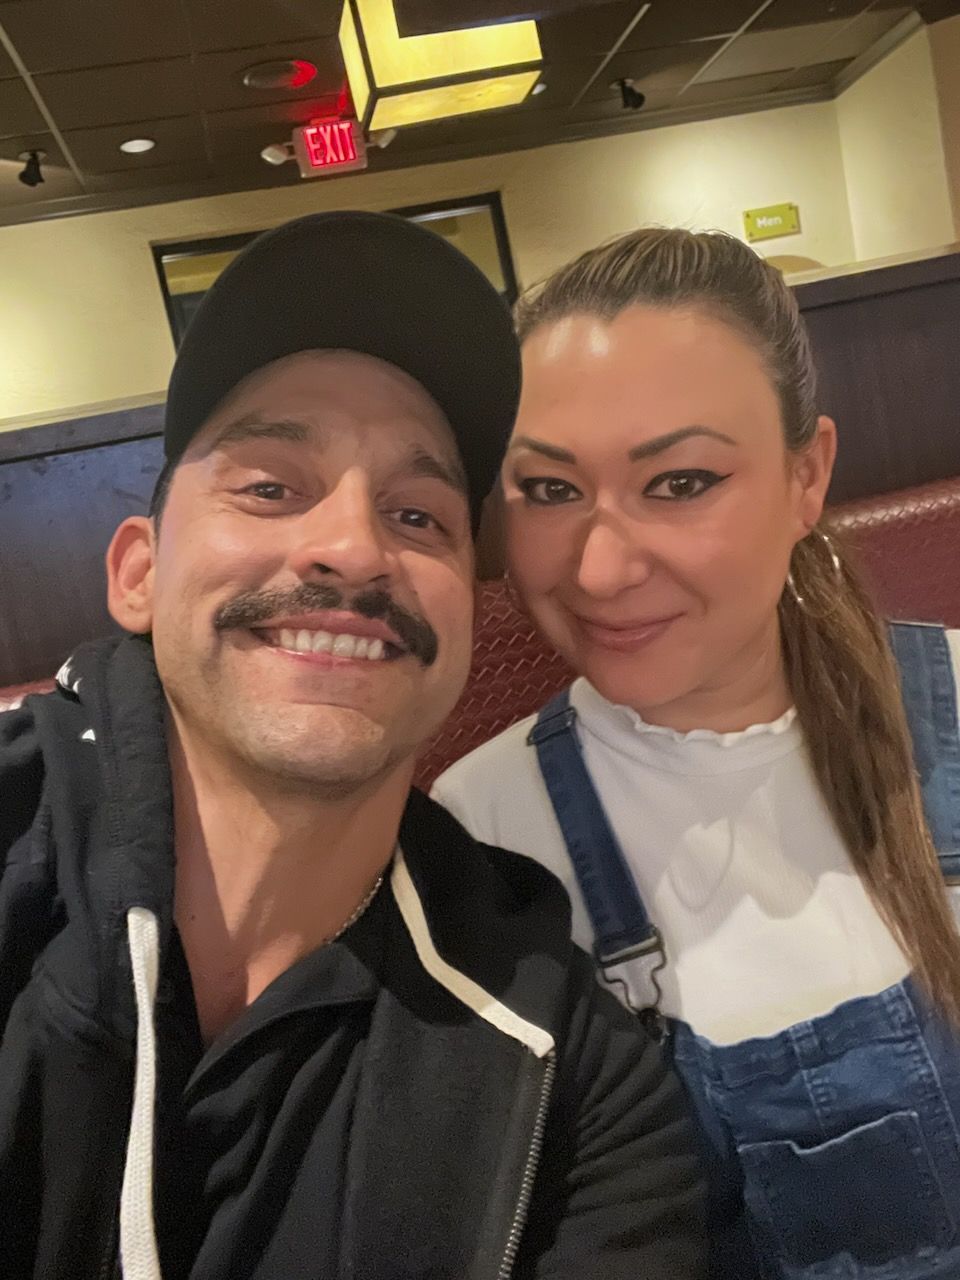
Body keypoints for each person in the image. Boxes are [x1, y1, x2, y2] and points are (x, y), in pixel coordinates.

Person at [0, 212, 706, 1280]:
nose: (350, 546)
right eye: (271, 485)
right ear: (138, 572)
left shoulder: (573, 1079)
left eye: (419, 514)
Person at [433, 226, 960, 1279]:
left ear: (807, 475)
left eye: (678, 482)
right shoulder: (481, 830)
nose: (604, 564)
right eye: (548, 490)